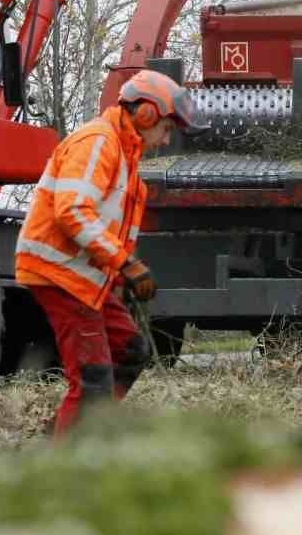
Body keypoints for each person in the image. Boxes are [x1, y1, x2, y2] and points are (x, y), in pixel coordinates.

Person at [15, 69, 209, 436]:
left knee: (131, 350)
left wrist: (120, 276)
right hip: (59, 272)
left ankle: (90, 429)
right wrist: (126, 264)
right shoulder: (98, 143)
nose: (166, 140)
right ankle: (68, 466)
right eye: (167, 129)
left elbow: (106, 228)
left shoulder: (125, 157)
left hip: (84, 276)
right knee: (92, 380)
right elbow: (71, 210)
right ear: (146, 114)